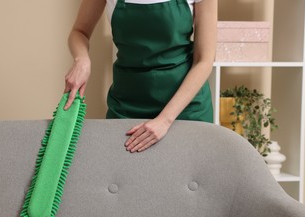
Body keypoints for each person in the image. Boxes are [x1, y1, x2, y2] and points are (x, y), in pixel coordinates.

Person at [64, 0, 217, 153]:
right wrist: (81, 59)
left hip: (185, 109)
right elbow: (79, 32)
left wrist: (165, 120)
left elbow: (204, 61)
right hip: (127, 106)